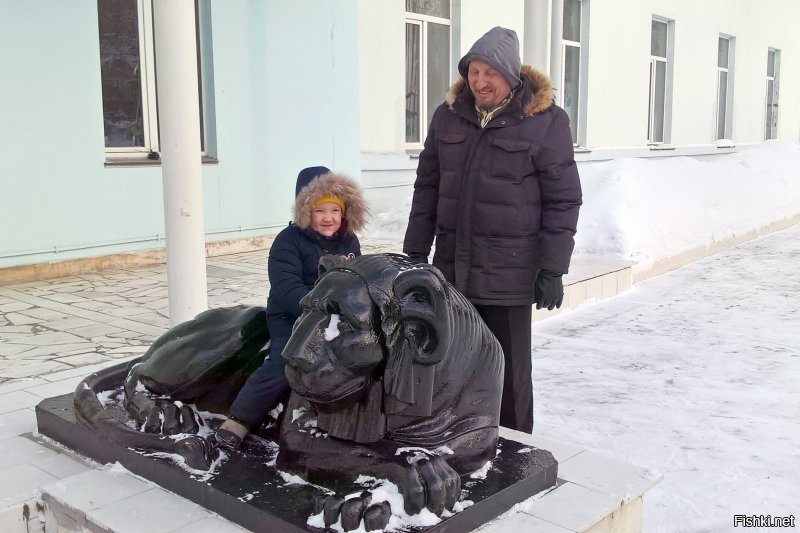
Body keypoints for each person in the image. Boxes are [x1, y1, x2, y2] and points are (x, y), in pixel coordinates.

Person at [402, 27, 582, 433]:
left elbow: (563, 199)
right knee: (450, 366)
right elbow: (427, 187)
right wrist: (415, 253)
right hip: (451, 272)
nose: (480, 82)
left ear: (512, 78)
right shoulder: (447, 117)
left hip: (510, 275)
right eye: (474, 71)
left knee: (510, 374)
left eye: (491, 73)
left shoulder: (546, 123)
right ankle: (459, 444)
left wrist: (552, 268)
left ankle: (517, 452)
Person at [215, 166, 369, 450]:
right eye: (319, 211)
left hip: (337, 317)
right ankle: (239, 420)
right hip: (293, 315)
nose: (328, 218)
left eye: (334, 211)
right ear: (305, 211)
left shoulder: (349, 241)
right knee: (284, 363)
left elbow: (355, 279)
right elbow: (287, 287)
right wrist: (319, 311)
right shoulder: (288, 242)